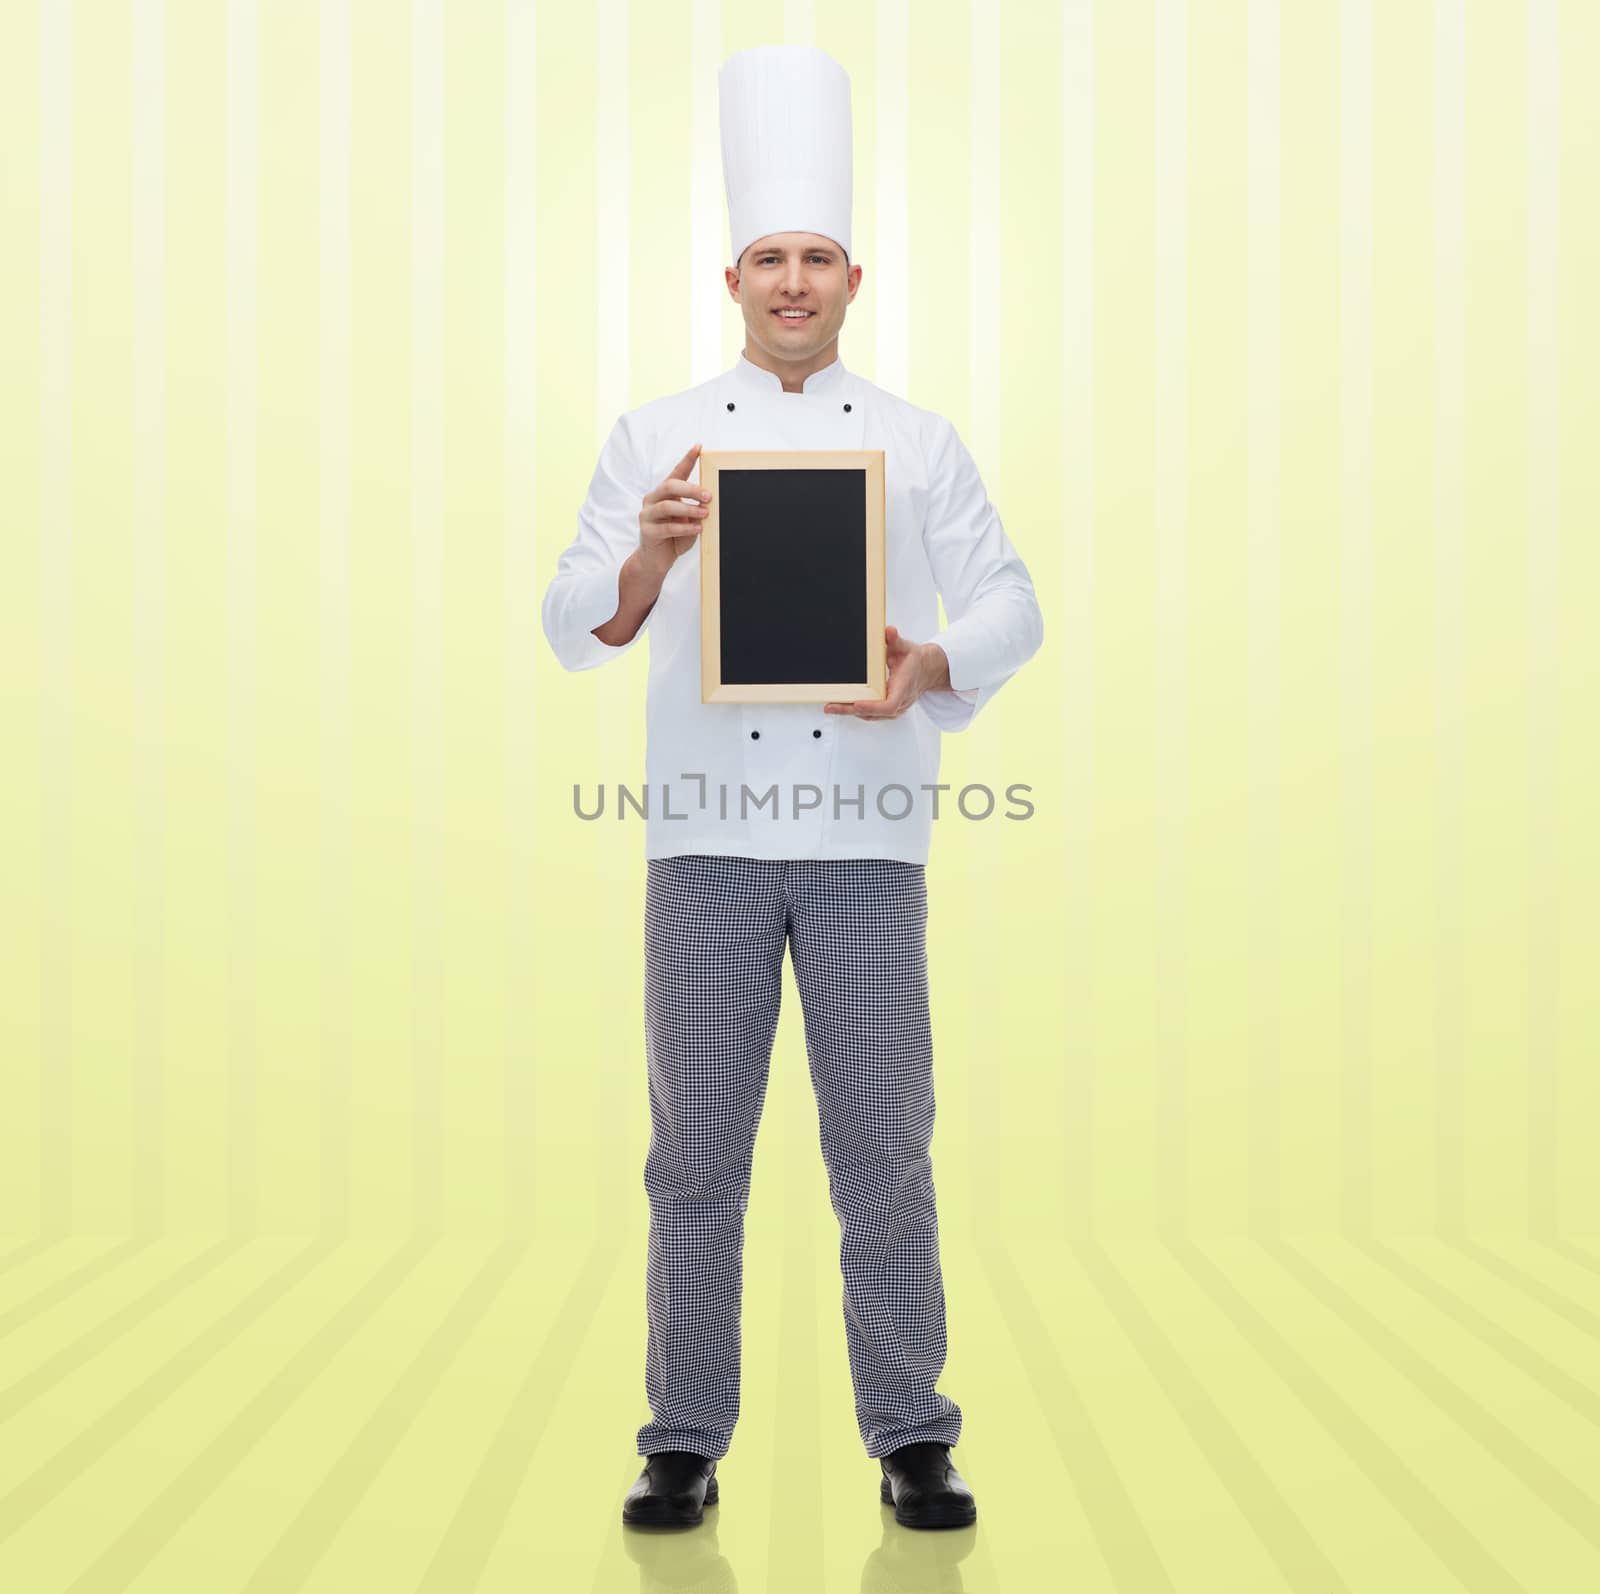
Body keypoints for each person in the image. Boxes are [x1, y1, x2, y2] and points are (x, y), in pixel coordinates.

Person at [541, 44, 1043, 1532]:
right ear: (733, 273)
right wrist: (645, 557)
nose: (793, 281)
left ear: (853, 276)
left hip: (869, 840)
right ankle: (682, 1433)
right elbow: (570, 617)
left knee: (884, 1146)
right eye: (771, 257)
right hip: (699, 838)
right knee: (693, 1151)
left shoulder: (915, 439)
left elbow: (1015, 602)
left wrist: (927, 662)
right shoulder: (656, 437)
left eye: (817, 257)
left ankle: (912, 1430)